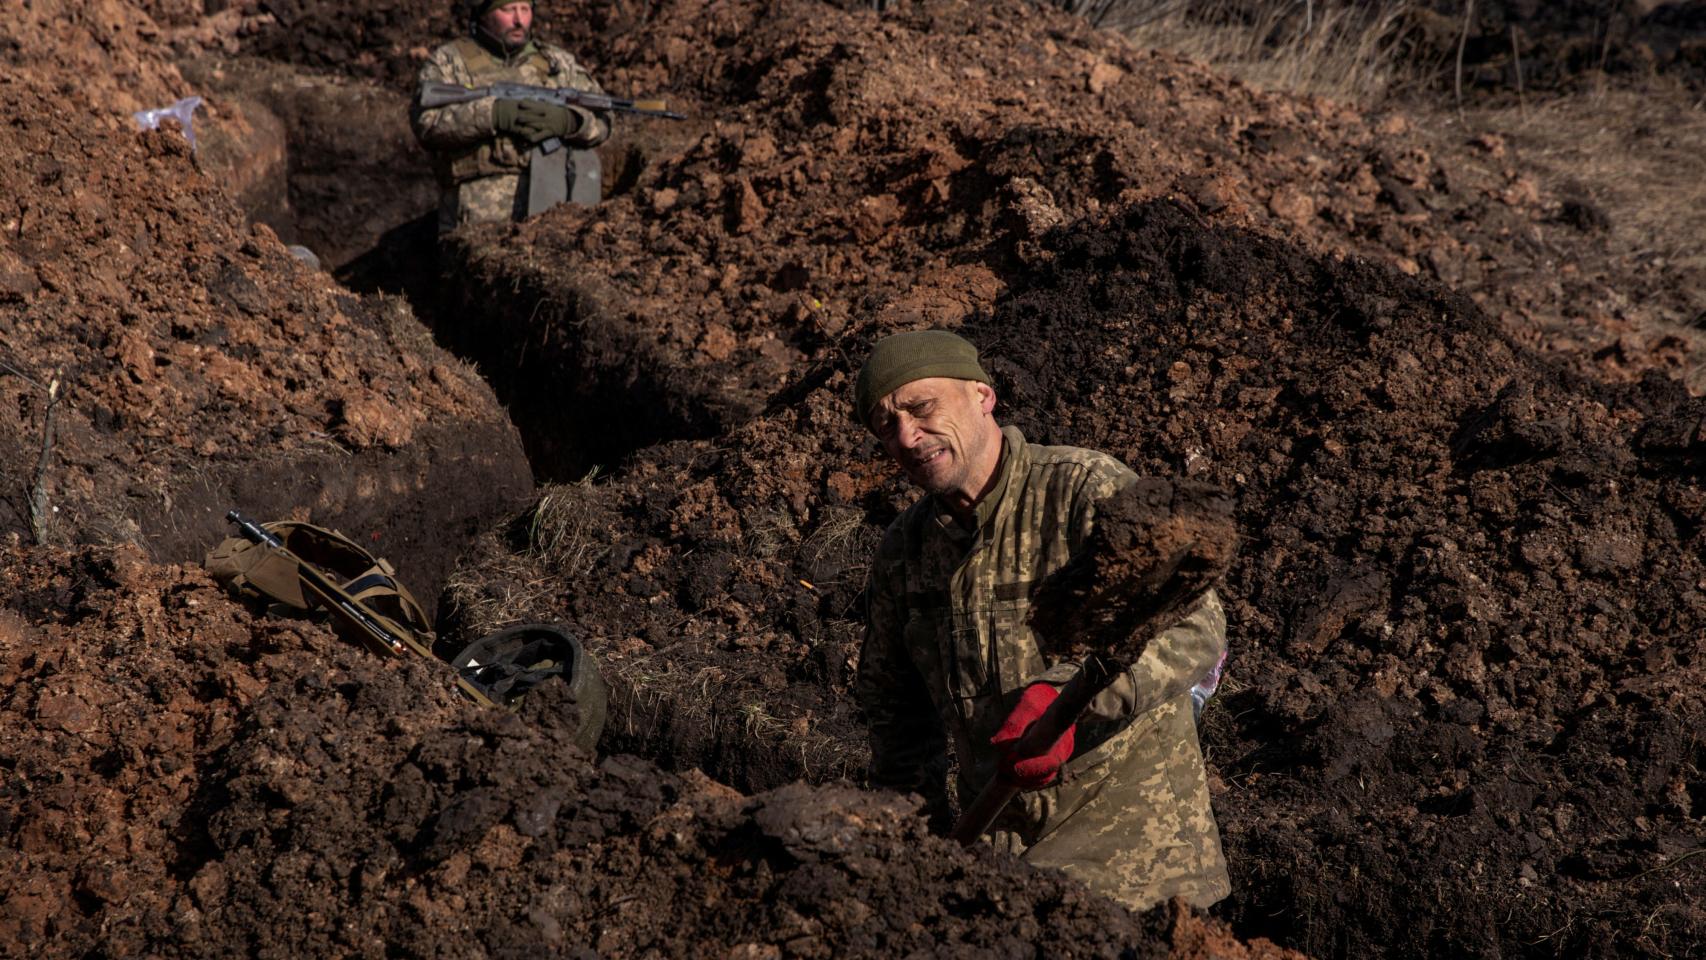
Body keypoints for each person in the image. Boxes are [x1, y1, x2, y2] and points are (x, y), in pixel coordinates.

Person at [853, 329, 1231, 912]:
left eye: (921, 407)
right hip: (999, 866)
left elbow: (1193, 627)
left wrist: (1067, 703)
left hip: (1136, 862)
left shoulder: (1082, 490)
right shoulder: (904, 552)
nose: (906, 436)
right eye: (886, 426)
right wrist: (915, 854)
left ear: (982, 396)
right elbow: (895, 715)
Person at [411, 0, 611, 232]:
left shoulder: (558, 63)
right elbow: (425, 124)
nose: (519, 20)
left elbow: (604, 118)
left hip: (551, 211)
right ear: (484, 15)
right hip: (476, 216)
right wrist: (495, 114)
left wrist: (570, 121)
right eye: (508, 9)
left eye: (525, 9)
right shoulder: (449, 61)